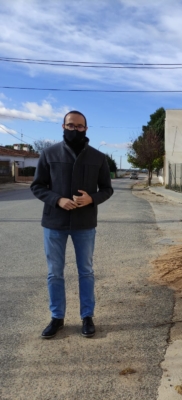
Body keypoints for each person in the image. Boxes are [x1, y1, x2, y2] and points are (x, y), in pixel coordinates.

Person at [31, 111, 113, 339]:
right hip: (54, 223)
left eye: (79, 126)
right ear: (62, 126)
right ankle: (57, 317)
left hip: (84, 223)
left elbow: (107, 189)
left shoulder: (98, 157)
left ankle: (87, 316)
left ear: (86, 129)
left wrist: (92, 199)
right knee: (54, 273)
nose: (74, 129)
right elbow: (37, 186)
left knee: (85, 271)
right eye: (70, 125)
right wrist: (57, 199)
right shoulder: (49, 154)